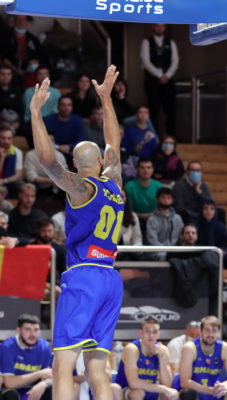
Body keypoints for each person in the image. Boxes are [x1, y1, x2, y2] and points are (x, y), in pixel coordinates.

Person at [30, 65, 125, 400]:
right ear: (100, 161)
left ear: (76, 163)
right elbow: (114, 142)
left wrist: (35, 113)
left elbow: (47, 162)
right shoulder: (114, 183)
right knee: (98, 370)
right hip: (111, 279)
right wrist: (106, 99)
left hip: (84, 276)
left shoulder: (81, 189)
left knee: (62, 366)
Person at [179, 315, 227, 400]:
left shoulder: (225, 348)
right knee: (187, 393)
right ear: (201, 331)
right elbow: (184, 382)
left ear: (219, 332)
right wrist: (208, 390)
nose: (210, 334)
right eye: (207, 330)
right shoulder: (190, 348)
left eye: (214, 331)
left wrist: (225, 385)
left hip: (217, 393)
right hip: (197, 393)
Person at [115, 317, 178, 400]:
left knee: (173, 394)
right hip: (128, 390)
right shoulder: (132, 349)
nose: (151, 335)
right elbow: (133, 383)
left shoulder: (163, 350)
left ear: (158, 334)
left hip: (151, 389)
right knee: (138, 393)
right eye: (147, 331)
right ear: (140, 333)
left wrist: (161, 359)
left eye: (154, 332)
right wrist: (162, 388)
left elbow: (168, 384)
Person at [0, 313, 53, 400]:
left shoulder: (45, 347)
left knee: (50, 389)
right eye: (28, 329)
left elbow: (51, 375)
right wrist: (39, 373)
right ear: (18, 330)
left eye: (36, 330)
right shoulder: (8, 347)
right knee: (10, 394)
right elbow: (9, 383)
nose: (32, 334)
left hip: (34, 391)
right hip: (13, 392)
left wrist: (44, 384)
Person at [140, 23, 178, 136]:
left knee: (171, 109)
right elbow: (146, 61)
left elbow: (175, 61)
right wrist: (159, 75)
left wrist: (167, 75)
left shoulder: (171, 42)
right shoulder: (146, 42)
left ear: (165, 28)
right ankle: (154, 136)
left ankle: (170, 136)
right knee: (153, 109)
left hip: (168, 81)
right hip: (152, 81)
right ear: (153, 27)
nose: (160, 28)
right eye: (157, 26)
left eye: (162, 26)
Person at [145, 186, 184, 260]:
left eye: (168, 198)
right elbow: (152, 241)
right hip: (157, 253)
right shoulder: (152, 219)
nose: (166, 200)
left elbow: (181, 237)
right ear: (157, 199)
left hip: (175, 252)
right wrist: (166, 253)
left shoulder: (178, 218)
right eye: (163, 198)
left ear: (172, 200)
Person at [172, 160, 213, 225]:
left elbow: (210, 203)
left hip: (201, 214)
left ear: (201, 173)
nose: (195, 173)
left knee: (220, 213)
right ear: (187, 172)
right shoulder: (179, 185)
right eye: (193, 170)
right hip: (187, 215)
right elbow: (179, 208)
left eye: (198, 170)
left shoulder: (203, 186)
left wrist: (199, 191)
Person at [0, 126, 24, 197]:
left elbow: (18, 174)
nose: (6, 141)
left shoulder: (17, 152)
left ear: (12, 139)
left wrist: (4, 181)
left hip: (8, 181)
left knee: (21, 186)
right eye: (3, 138)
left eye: (9, 138)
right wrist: (2, 158)